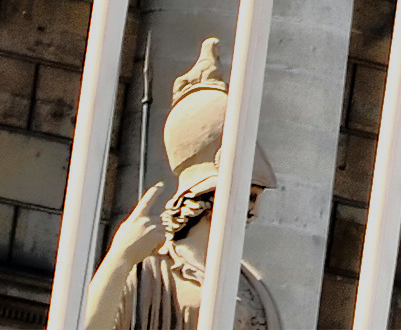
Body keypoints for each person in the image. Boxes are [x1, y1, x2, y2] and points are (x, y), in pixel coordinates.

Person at [85, 40, 278, 330]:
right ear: (208, 193)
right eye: (249, 197)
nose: (254, 212)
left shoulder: (252, 284)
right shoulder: (149, 269)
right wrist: (121, 257)